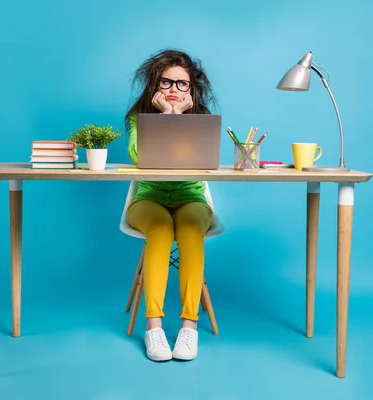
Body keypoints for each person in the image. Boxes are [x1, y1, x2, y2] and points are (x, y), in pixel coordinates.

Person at [124, 49, 217, 362]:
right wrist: (168, 118)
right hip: (148, 200)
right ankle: (153, 327)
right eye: (167, 83)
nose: (175, 90)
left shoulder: (201, 120)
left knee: (190, 229)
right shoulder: (140, 118)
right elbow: (141, 157)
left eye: (182, 84)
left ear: (192, 89)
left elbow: (195, 163)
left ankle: (189, 328)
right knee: (161, 230)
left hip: (192, 198)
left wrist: (178, 119)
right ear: (155, 85)